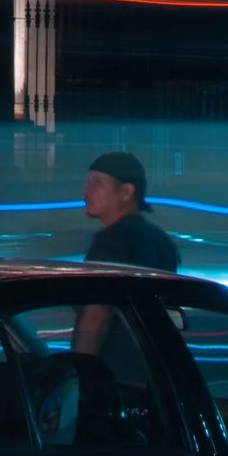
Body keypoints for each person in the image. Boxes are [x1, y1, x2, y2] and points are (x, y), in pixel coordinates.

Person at [73, 151, 177, 355]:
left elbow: (96, 319)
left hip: (116, 375)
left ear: (126, 192)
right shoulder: (160, 239)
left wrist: (80, 370)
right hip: (149, 370)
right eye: (87, 182)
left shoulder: (113, 240)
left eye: (97, 183)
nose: (86, 192)